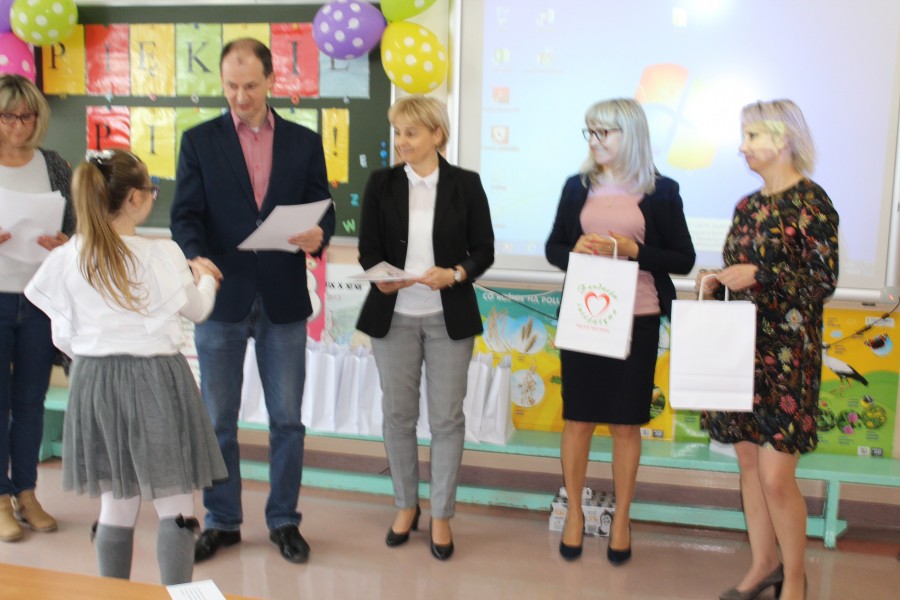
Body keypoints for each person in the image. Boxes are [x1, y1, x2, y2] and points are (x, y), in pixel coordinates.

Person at [24, 149, 227, 584]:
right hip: (156, 380)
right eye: (150, 189)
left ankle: (111, 593)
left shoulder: (68, 256)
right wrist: (207, 278)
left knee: (115, 503)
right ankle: (181, 595)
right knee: (175, 506)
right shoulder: (161, 254)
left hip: (94, 382)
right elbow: (198, 310)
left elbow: (62, 336)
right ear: (135, 198)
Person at [170, 38, 335, 565]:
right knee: (218, 419)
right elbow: (184, 215)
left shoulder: (304, 142)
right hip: (222, 296)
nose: (240, 96)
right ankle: (223, 520)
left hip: (283, 297)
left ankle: (284, 519)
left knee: (287, 420)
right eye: (230, 86)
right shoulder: (199, 141)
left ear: (271, 81)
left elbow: (323, 209)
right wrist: (194, 256)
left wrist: (319, 235)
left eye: (250, 86)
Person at [699, 100, 838, 600]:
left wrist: (760, 274)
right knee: (748, 465)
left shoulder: (812, 203)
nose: (742, 147)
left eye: (752, 136)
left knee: (777, 477)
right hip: (740, 351)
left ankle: (795, 577)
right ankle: (764, 565)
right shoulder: (747, 206)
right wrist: (716, 281)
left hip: (787, 359)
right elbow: (734, 269)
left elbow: (822, 281)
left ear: (783, 139)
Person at [545, 98, 695, 563]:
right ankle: (574, 514)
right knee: (578, 420)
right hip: (585, 319)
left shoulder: (662, 190)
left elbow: (684, 259)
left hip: (638, 318)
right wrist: (576, 248)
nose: (594, 141)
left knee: (626, 425)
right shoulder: (576, 187)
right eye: (589, 132)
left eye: (603, 132)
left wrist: (635, 251)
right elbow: (553, 248)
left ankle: (623, 520)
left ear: (630, 136)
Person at [356, 95, 494, 560]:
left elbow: (484, 249)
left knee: (446, 420)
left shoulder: (465, 184)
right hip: (393, 316)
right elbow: (368, 249)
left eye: (411, 133)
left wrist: (454, 273)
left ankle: (441, 514)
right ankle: (405, 505)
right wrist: (382, 277)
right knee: (397, 416)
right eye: (398, 132)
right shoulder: (381, 183)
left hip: (448, 317)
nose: (401, 141)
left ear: (437, 134)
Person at [0, 74, 75, 543]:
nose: (19, 126)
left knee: (30, 402)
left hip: (39, 299)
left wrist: (66, 242)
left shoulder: (53, 165)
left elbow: (76, 230)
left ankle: (26, 493)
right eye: (8, 116)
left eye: (27, 116)